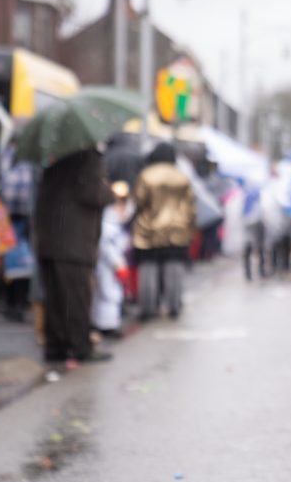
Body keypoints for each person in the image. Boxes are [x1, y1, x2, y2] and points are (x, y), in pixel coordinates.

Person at [34, 146, 114, 365]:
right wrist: (110, 191)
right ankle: (80, 347)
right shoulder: (88, 159)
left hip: (49, 239)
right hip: (74, 242)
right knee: (76, 298)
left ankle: (56, 346)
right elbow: (94, 194)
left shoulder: (55, 158)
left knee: (56, 299)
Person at [132, 143, 196, 321]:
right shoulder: (182, 177)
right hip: (177, 230)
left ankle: (148, 307)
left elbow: (138, 201)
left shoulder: (146, 175)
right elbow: (191, 207)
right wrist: (190, 228)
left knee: (148, 269)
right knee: (174, 268)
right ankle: (174, 305)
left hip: (148, 230)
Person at [0, 142, 37, 323]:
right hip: (20, 216)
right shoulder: (25, 158)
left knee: (13, 261)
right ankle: (17, 303)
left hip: (10, 216)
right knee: (21, 260)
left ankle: (12, 302)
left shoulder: (5, 156)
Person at [92, 181, 132, 338]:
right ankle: (107, 325)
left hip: (109, 263)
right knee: (109, 294)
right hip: (108, 264)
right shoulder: (108, 223)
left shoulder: (114, 222)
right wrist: (118, 264)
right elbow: (108, 247)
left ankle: (105, 323)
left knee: (108, 293)